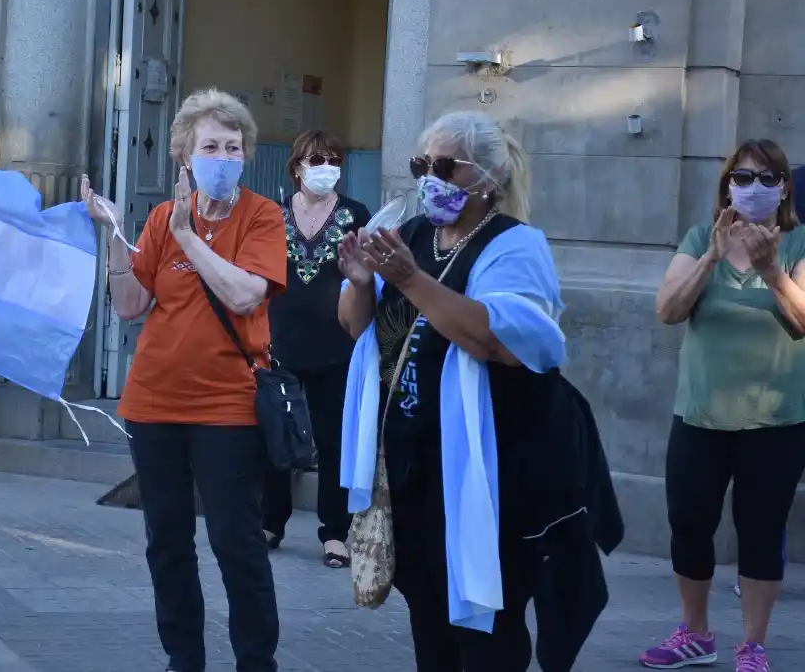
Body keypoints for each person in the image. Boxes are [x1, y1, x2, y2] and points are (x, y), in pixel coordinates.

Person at [338, 110, 618, 671]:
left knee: (487, 628)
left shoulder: (514, 244)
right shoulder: (413, 233)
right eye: (423, 164)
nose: (429, 178)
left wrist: (410, 279)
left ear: (487, 178)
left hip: (486, 476)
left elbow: (500, 341)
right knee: (429, 614)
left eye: (444, 165)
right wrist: (363, 284)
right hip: (414, 469)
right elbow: (358, 328)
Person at [81, 88, 286, 672]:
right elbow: (128, 303)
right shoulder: (160, 219)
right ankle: (183, 660)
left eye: (233, 145)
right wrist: (116, 235)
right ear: (185, 158)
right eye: (210, 146)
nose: (223, 155)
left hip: (228, 407)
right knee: (166, 543)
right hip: (154, 403)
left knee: (236, 543)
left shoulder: (262, 215)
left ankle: (255, 662)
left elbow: (247, 294)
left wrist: (191, 235)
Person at [642, 138, 805, 672]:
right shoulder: (698, 238)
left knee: (760, 530)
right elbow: (667, 309)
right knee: (689, 523)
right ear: (727, 184)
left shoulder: (799, 243)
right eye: (742, 177)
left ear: (783, 187)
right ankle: (696, 633)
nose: (752, 187)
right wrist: (712, 255)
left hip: (773, 421)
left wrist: (772, 272)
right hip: (700, 416)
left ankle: (753, 644)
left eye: (765, 178)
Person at [262, 129, 367, 567]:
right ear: (296, 166)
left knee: (332, 439)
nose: (324, 168)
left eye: (332, 159)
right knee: (276, 434)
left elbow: (365, 275)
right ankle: (270, 520)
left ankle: (335, 532)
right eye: (314, 159)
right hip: (280, 339)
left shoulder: (355, 214)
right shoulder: (271, 215)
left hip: (335, 343)